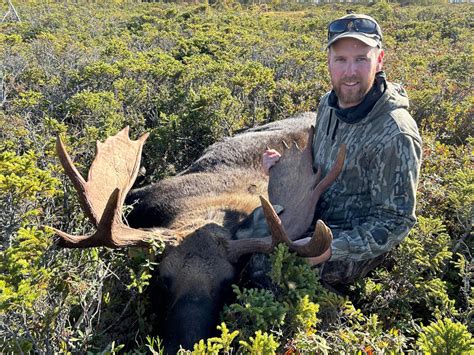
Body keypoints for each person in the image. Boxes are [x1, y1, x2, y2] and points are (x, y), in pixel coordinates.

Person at [263, 14, 422, 285]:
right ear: (329, 62)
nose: (350, 72)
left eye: (361, 59)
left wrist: (330, 249)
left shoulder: (396, 134)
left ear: (379, 60)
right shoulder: (328, 103)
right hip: (311, 215)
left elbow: (394, 221)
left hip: (352, 243)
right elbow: (318, 158)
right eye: (341, 60)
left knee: (272, 277)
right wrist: (284, 168)